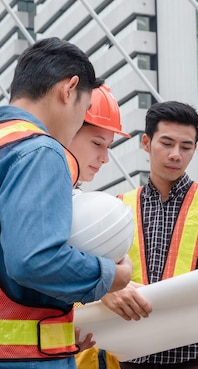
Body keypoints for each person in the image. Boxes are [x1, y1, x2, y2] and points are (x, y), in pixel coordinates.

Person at [0, 37, 134, 369]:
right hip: (15, 360)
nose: (79, 120)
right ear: (69, 89)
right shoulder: (38, 149)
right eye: (84, 108)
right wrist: (112, 276)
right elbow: (34, 261)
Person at [103, 101, 198, 369]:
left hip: (195, 358)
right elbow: (94, 272)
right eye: (167, 143)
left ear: (194, 149)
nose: (176, 154)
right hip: (130, 355)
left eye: (186, 147)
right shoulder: (119, 207)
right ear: (146, 143)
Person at [71, 84, 131, 368]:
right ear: (67, 126)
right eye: (97, 144)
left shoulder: (74, 201)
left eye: (109, 146)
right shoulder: (49, 199)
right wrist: (110, 279)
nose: (105, 157)